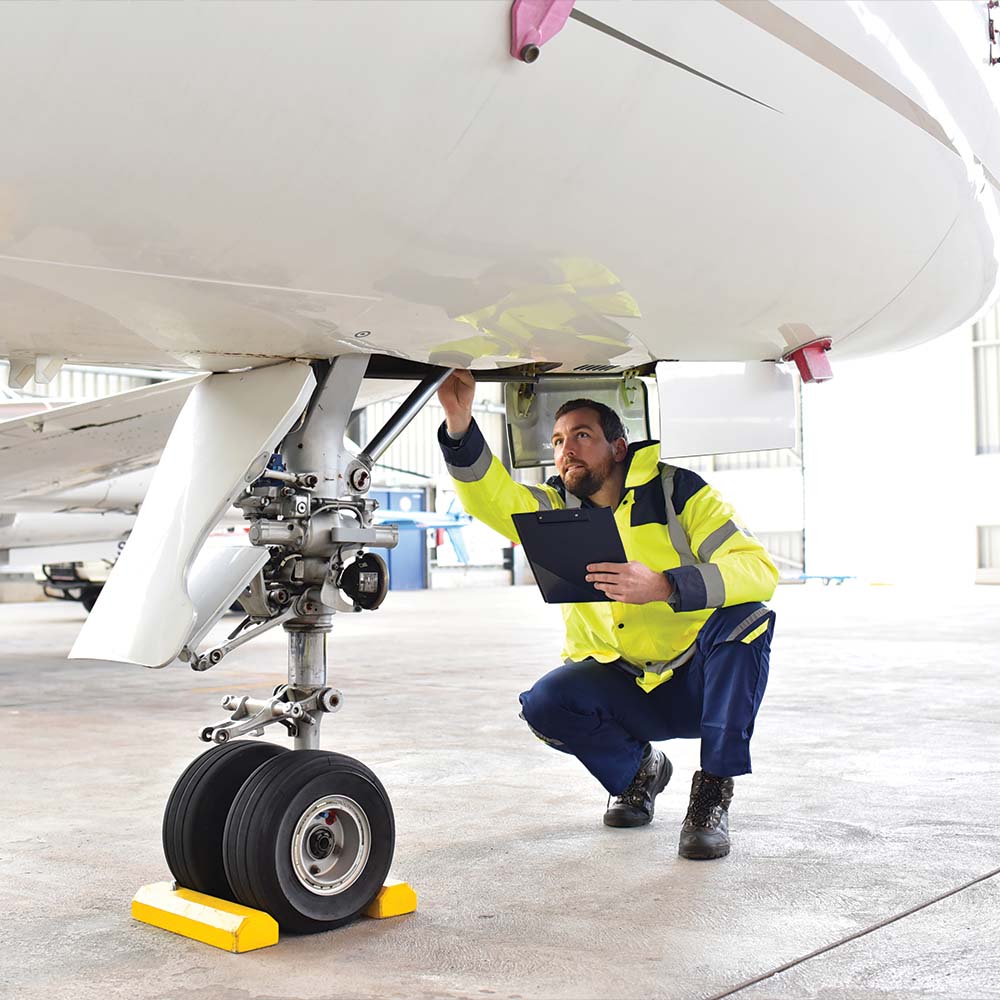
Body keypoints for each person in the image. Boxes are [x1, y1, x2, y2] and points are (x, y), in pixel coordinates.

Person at [436, 370, 778, 860]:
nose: (566, 449)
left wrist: (665, 586)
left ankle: (711, 793)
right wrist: (459, 421)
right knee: (546, 703)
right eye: (557, 440)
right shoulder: (553, 506)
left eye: (581, 436)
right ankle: (638, 774)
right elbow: (491, 498)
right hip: (621, 685)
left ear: (618, 447)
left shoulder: (679, 492)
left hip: (698, 682)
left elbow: (758, 570)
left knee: (747, 617)